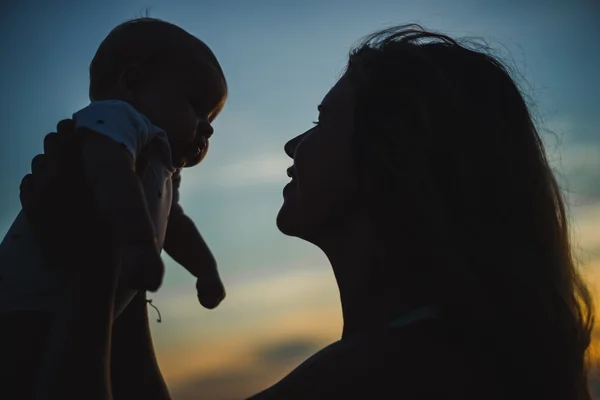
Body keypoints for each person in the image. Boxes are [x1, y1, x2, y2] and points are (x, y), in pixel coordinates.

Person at [15, 24, 594, 399]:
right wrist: (120, 247)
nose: (294, 145)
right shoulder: (438, 352)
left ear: (388, 154)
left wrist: (94, 269)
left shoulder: (386, 376)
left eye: (320, 122)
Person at [0, 18, 227, 399]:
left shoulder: (161, 163)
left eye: (212, 118)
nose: (207, 129)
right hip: (20, 307)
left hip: (70, 307)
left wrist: (205, 270)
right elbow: (109, 174)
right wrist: (138, 243)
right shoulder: (117, 121)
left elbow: (175, 222)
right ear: (133, 83)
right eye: (196, 106)